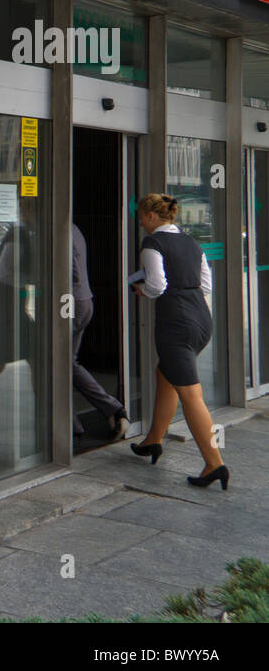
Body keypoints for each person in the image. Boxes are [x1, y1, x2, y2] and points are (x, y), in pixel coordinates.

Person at [129, 193, 231, 489]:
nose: (141, 222)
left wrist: (142, 291)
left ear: (150, 216)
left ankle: (214, 463)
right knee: (166, 374)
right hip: (201, 319)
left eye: (141, 216)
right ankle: (153, 440)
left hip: (176, 322)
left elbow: (157, 284)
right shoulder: (192, 242)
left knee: (191, 395)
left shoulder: (152, 243)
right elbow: (206, 284)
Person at [0, 198, 39, 449]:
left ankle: (43, 418)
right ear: (26, 211)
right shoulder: (17, 235)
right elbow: (5, 273)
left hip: (11, 310)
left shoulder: (24, 234)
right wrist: (37, 276)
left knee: (29, 361)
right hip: (6, 311)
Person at [70, 223, 129, 443]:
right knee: (66, 364)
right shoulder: (75, 229)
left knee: (59, 364)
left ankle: (108, 411)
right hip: (83, 300)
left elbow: (68, 272)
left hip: (70, 303)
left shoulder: (59, 228)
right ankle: (107, 412)